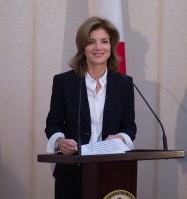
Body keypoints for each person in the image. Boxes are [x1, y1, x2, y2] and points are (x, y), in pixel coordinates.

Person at [44, 16, 137, 199]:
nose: (98, 48)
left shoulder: (124, 84)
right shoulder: (64, 82)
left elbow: (129, 127)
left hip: (113, 173)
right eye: (91, 42)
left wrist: (121, 137)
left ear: (112, 46)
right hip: (72, 175)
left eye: (104, 41)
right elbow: (53, 124)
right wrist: (60, 141)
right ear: (82, 47)